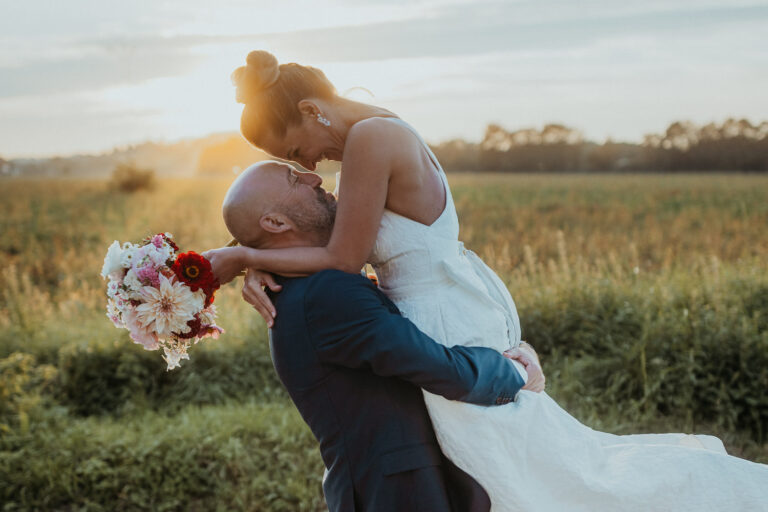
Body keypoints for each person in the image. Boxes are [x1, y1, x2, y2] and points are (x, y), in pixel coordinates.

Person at [204, 52, 768, 511]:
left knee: (527, 479)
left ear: (310, 109)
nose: (314, 165)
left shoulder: (370, 144)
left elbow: (343, 257)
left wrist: (246, 256)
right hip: (449, 302)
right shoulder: (379, 130)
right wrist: (255, 257)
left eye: (298, 151)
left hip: (441, 315)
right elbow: (331, 249)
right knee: (525, 470)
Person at [219, 161, 540, 511]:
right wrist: (518, 372)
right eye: (295, 178)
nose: (314, 177)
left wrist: (255, 257)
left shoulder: (307, 287)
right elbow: (441, 368)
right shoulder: (325, 293)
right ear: (277, 223)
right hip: (400, 494)